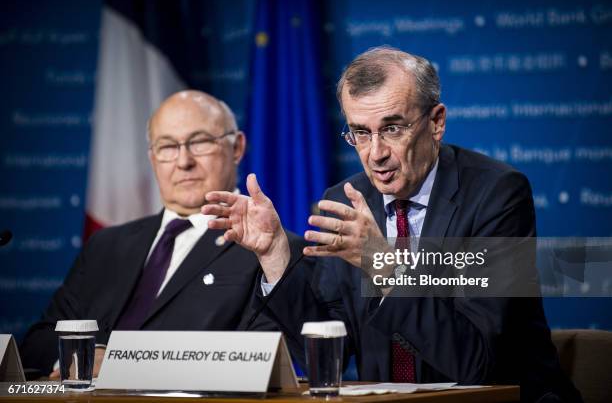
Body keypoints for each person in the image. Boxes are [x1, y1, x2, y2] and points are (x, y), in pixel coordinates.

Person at [202, 47, 582, 402]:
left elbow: (474, 364)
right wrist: (275, 256)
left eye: (393, 128)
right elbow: (328, 347)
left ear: (436, 122)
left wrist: (383, 264)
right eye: (361, 133)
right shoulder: (346, 200)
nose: (376, 153)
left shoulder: (495, 195)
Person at [20, 90, 278, 377]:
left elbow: (265, 355)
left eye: (200, 142)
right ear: (152, 157)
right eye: (167, 147)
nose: (183, 162)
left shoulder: (269, 250)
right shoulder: (106, 246)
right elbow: (36, 343)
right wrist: (77, 357)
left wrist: (123, 364)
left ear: (237, 147)